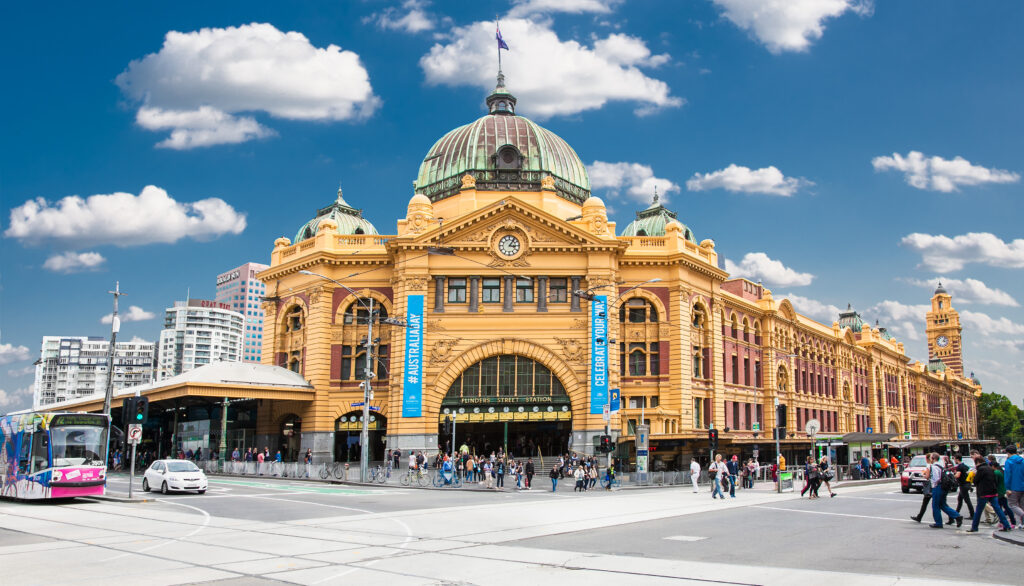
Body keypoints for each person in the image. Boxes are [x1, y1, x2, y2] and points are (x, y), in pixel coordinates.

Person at [966, 454, 1012, 533]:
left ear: (977, 462)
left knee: (978, 510)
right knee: (998, 509)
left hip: (983, 492)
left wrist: (972, 476)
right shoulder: (990, 468)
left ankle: (974, 527)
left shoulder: (980, 469)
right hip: (993, 491)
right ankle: (1006, 525)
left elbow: (975, 481)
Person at [928, 451, 963, 529]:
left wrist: (933, 484)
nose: (930, 459)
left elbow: (936, 478)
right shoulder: (941, 465)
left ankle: (938, 523)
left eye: (930, 457)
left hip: (938, 487)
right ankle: (957, 516)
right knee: (942, 504)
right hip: (944, 487)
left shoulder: (934, 466)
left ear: (933, 458)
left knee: (936, 505)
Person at [989, 454, 1016, 528]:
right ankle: (1004, 521)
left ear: (993, 466)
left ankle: (1010, 521)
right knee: (1003, 507)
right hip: (1002, 491)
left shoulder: (996, 473)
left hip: (999, 492)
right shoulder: (1000, 471)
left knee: (1003, 508)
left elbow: (995, 483)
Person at [1004, 444, 1024, 530]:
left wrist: (1007, 488)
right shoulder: (1022, 460)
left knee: (1012, 505)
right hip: (1023, 486)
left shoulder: (1009, 461)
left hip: (1013, 487)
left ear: (1008, 453)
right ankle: (1023, 524)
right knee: (1022, 505)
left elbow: (1008, 475)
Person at [952, 454, 975, 522]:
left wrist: (954, 475)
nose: (954, 460)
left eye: (954, 459)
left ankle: (972, 514)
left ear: (957, 459)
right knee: (960, 499)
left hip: (963, 485)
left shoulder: (959, 467)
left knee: (967, 500)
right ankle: (956, 513)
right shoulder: (965, 466)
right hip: (967, 484)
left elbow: (957, 475)